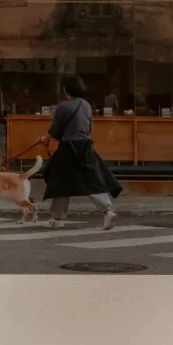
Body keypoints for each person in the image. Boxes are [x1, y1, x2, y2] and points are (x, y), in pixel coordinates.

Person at [41, 75, 123, 229]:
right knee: (91, 180)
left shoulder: (63, 106)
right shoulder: (86, 105)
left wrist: (45, 138)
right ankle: (107, 211)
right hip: (85, 146)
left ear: (66, 89)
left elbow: (55, 128)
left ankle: (58, 219)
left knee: (60, 181)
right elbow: (89, 127)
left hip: (68, 148)